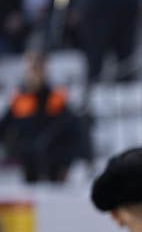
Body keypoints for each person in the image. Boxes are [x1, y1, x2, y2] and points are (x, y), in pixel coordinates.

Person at [0, 50, 88, 183]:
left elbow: (75, 132)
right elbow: (4, 127)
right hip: (28, 165)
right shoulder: (19, 99)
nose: (34, 72)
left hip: (55, 166)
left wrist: (66, 163)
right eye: (31, 67)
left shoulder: (56, 99)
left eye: (38, 67)